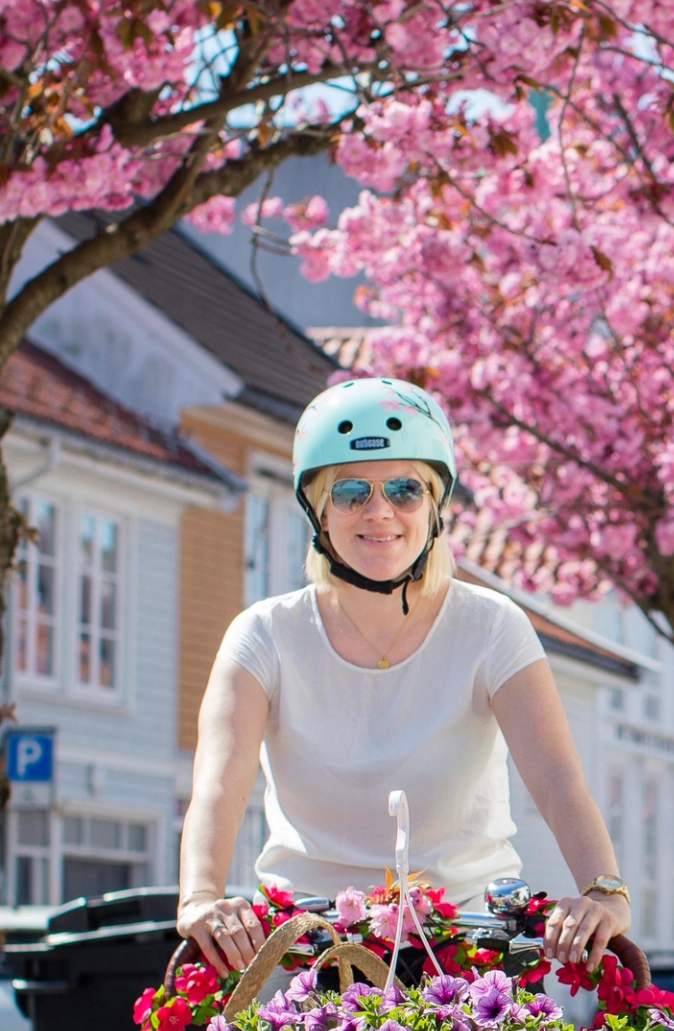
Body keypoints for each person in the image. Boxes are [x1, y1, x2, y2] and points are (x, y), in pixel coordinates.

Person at [177, 378, 632, 981]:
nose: (379, 511)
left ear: (435, 505)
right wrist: (201, 898)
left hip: (467, 948)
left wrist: (604, 891)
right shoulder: (264, 635)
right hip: (311, 949)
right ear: (317, 510)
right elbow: (218, 785)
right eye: (350, 492)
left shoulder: (491, 626)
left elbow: (556, 780)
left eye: (404, 489)